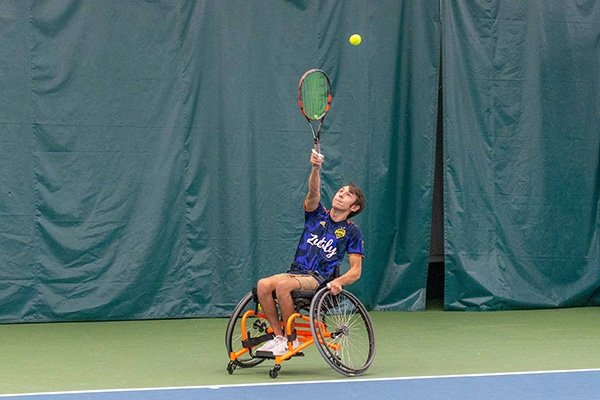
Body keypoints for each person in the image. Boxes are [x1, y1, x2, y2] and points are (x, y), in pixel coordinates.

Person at [256, 149, 366, 356]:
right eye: (340, 192)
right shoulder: (316, 215)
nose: (340, 196)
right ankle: (280, 336)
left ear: (354, 207)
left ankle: (292, 339)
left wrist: (339, 282)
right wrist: (316, 168)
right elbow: (313, 193)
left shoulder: (352, 232)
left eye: (347, 195)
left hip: (317, 279)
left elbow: (356, 271)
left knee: (282, 286)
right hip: (296, 271)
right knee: (263, 285)